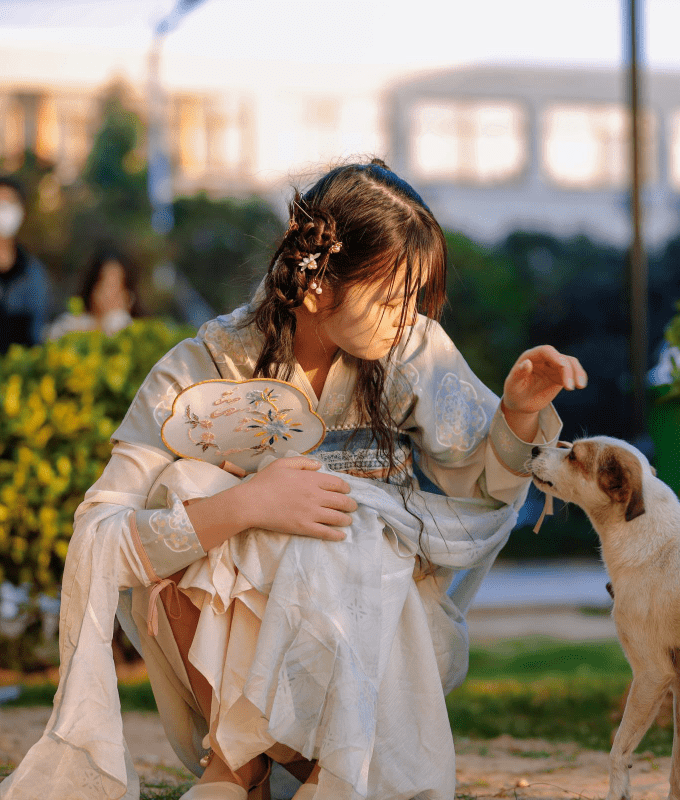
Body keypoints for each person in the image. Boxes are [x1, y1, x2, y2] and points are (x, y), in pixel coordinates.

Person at [0, 159, 587, 800]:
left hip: (378, 625)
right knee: (192, 485)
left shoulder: (411, 350)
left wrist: (519, 411)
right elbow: (102, 530)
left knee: (357, 524)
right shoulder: (203, 366)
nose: (408, 317)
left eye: (416, 300)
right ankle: (238, 768)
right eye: (392, 298)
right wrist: (248, 504)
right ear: (316, 288)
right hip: (226, 651)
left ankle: (329, 769)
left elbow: (482, 490)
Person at [0, 175, 53, 354]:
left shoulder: (34, 274)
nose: (3, 210)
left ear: (22, 211)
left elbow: (36, 334)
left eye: (9, 203)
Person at [46, 248, 142, 340]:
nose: (110, 294)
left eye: (117, 286)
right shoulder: (70, 325)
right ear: (92, 287)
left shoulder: (130, 330)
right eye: (105, 284)